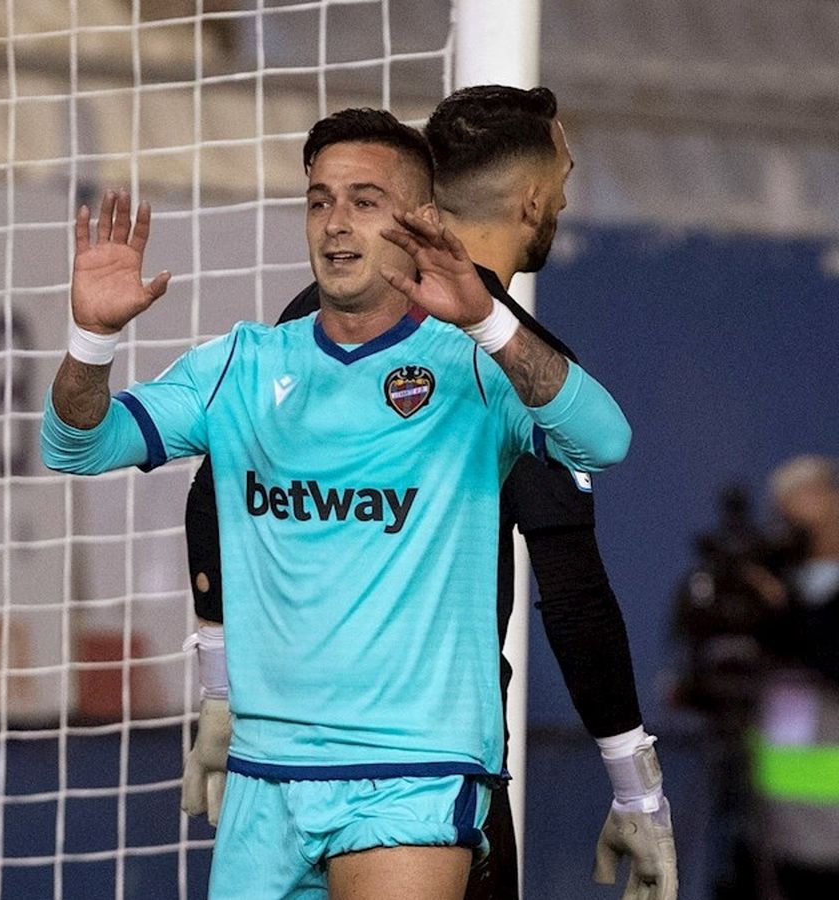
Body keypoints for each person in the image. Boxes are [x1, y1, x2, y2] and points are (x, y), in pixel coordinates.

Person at [41, 107, 630, 899]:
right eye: (319, 200)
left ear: (420, 220)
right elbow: (77, 445)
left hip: (412, 773)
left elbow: (604, 440)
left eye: (364, 199)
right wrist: (91, 342)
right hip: (264, 778)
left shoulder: (476, 369)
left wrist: (490, 320)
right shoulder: (241, 364)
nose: (336, 223)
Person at [179, 86, 677, 900]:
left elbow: (214, 491)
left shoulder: (316, 316)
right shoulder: (517, 366)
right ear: (532, 199)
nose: (567, 193)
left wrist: (220, 687)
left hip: (290, 762)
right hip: (425, 775)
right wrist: (636, 787)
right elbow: (572, 582)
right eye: (565, 174)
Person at [750, 456, 839, 899]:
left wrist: (788, 611)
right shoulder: (774, 579)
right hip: (784, 834)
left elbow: (827, 655)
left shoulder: (794, 601)